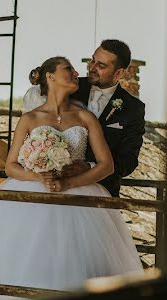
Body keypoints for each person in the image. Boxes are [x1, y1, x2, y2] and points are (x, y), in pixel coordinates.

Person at [0, 56, 143, 300]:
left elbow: (106, 165)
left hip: (79, 196)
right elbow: (10, 166)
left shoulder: (85, 118)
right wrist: (37, 176)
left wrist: (70, 183)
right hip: (33, 194)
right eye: (69, 69)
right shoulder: (30, 119)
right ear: (50, 77)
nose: (77, 72)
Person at [62, 39, 146, 197]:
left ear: (119, 73)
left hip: (101, 194)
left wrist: (91, 167)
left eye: (101, 66)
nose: (92, 68)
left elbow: (129, 161)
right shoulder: (70, 88)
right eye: (93, 60)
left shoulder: (133, 108)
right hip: (59, 187)